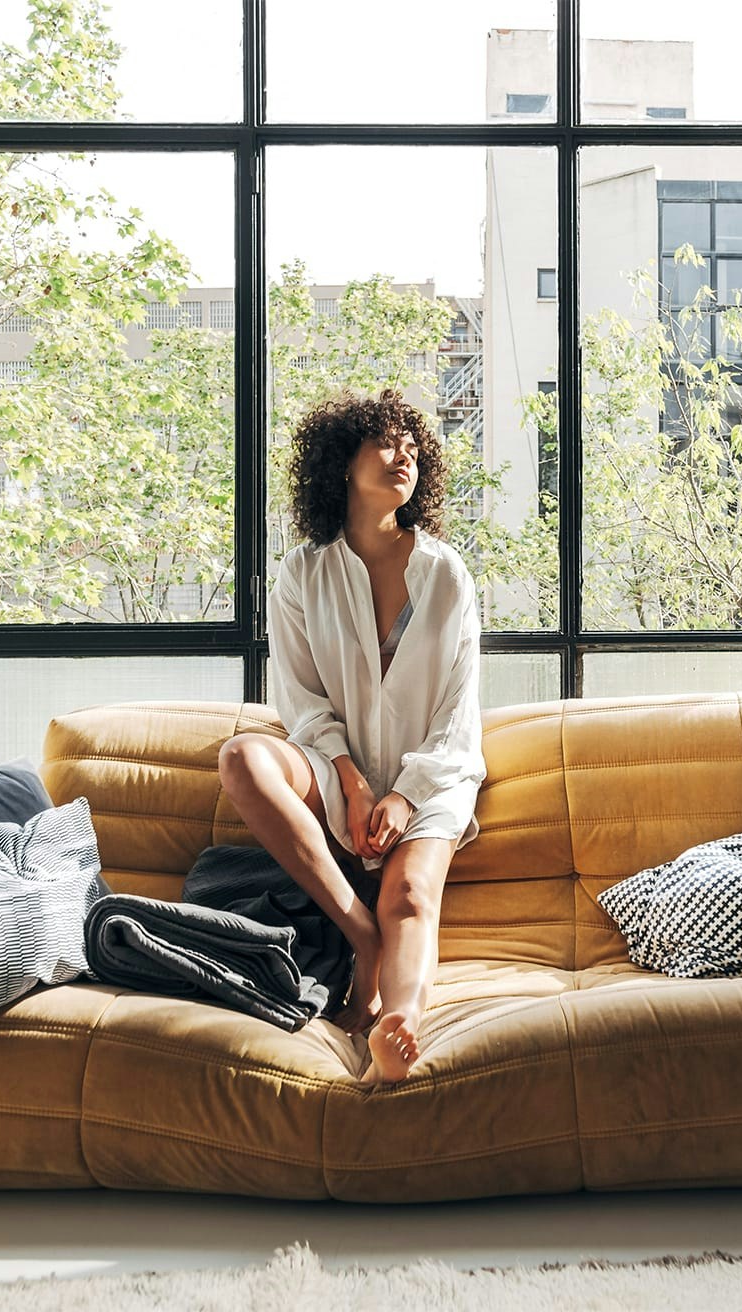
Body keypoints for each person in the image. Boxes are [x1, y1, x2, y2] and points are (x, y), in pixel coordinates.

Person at [217, 387, 486, 1086]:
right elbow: (300, 700)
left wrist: (403, 795)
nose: (405, 457)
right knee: (243, 756)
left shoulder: (447, 575)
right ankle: (358, 935)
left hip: (432, 775)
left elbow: (460, 713)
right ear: (342, 460)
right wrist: (350, 777)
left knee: (409, 896)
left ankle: (399, 1024)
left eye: (413, 448)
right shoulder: (302, 574)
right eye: (387, 442)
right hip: (332, 766)